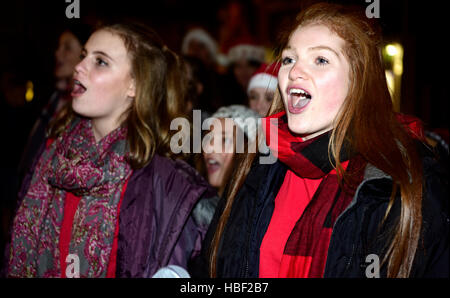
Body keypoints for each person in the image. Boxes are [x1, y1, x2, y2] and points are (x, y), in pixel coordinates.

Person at [196, 3, 449, 278]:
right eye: (289, 59)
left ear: (359, 81)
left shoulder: (405, 180)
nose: (293, 72)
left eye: (321, 60)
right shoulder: (256, 163)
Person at [4, 22, 211, 278]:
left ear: (134, 85)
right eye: (83, 56)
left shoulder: (163, 182)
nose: (79, 67)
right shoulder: (52, 152)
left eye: (100, 61)